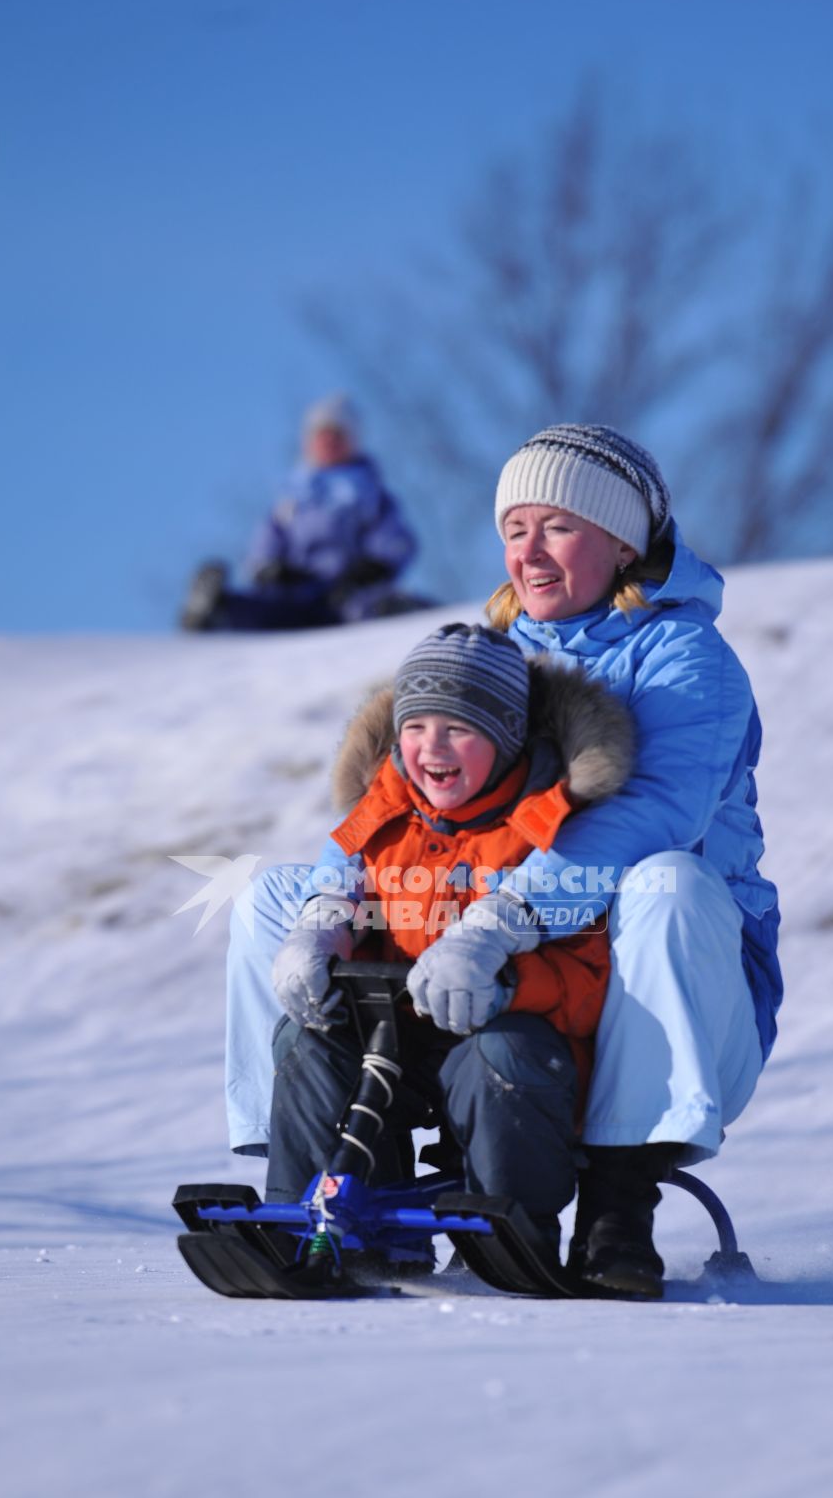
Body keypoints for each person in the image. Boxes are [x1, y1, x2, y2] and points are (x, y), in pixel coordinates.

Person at [224, 424, 782, 1295]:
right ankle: (329, 1159)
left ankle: (617, 1199)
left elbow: (649, 817)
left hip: (670, 989)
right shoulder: (491, 655)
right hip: (488, 968)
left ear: (622, 542)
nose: (528, 551)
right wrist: (325, 922)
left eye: (557, 526)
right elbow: (391, 809)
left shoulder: (685, 660)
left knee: (663, 886)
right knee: (272, 894)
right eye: (514, 528)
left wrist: (496, 923)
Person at [266, 620, 636, 1278]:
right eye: (414, 726)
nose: (428, 747)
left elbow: (594, 982)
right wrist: (318, 938)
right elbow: (341, 887)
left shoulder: (555, 833)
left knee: (502, 1053)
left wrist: (507, 988)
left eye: (457, 728)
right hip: (397, 1041)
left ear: (507, 737)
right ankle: (324, 1231)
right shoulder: (381, 815)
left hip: (515, 1055)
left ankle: (507, 1239)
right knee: (304, 1039)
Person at [181, 393, 419, 632]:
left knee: (367, 609)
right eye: (321, 436)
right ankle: (216, 608)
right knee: (266, 612)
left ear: (352, 441)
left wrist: (374, 566)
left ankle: (401, 612)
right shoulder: (294, 496)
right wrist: (268, 567)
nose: (328, 443)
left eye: (337, 436)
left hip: (347, 593)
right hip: (297, 590)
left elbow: (393, 538)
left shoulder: (368, 493)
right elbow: (268, 538)